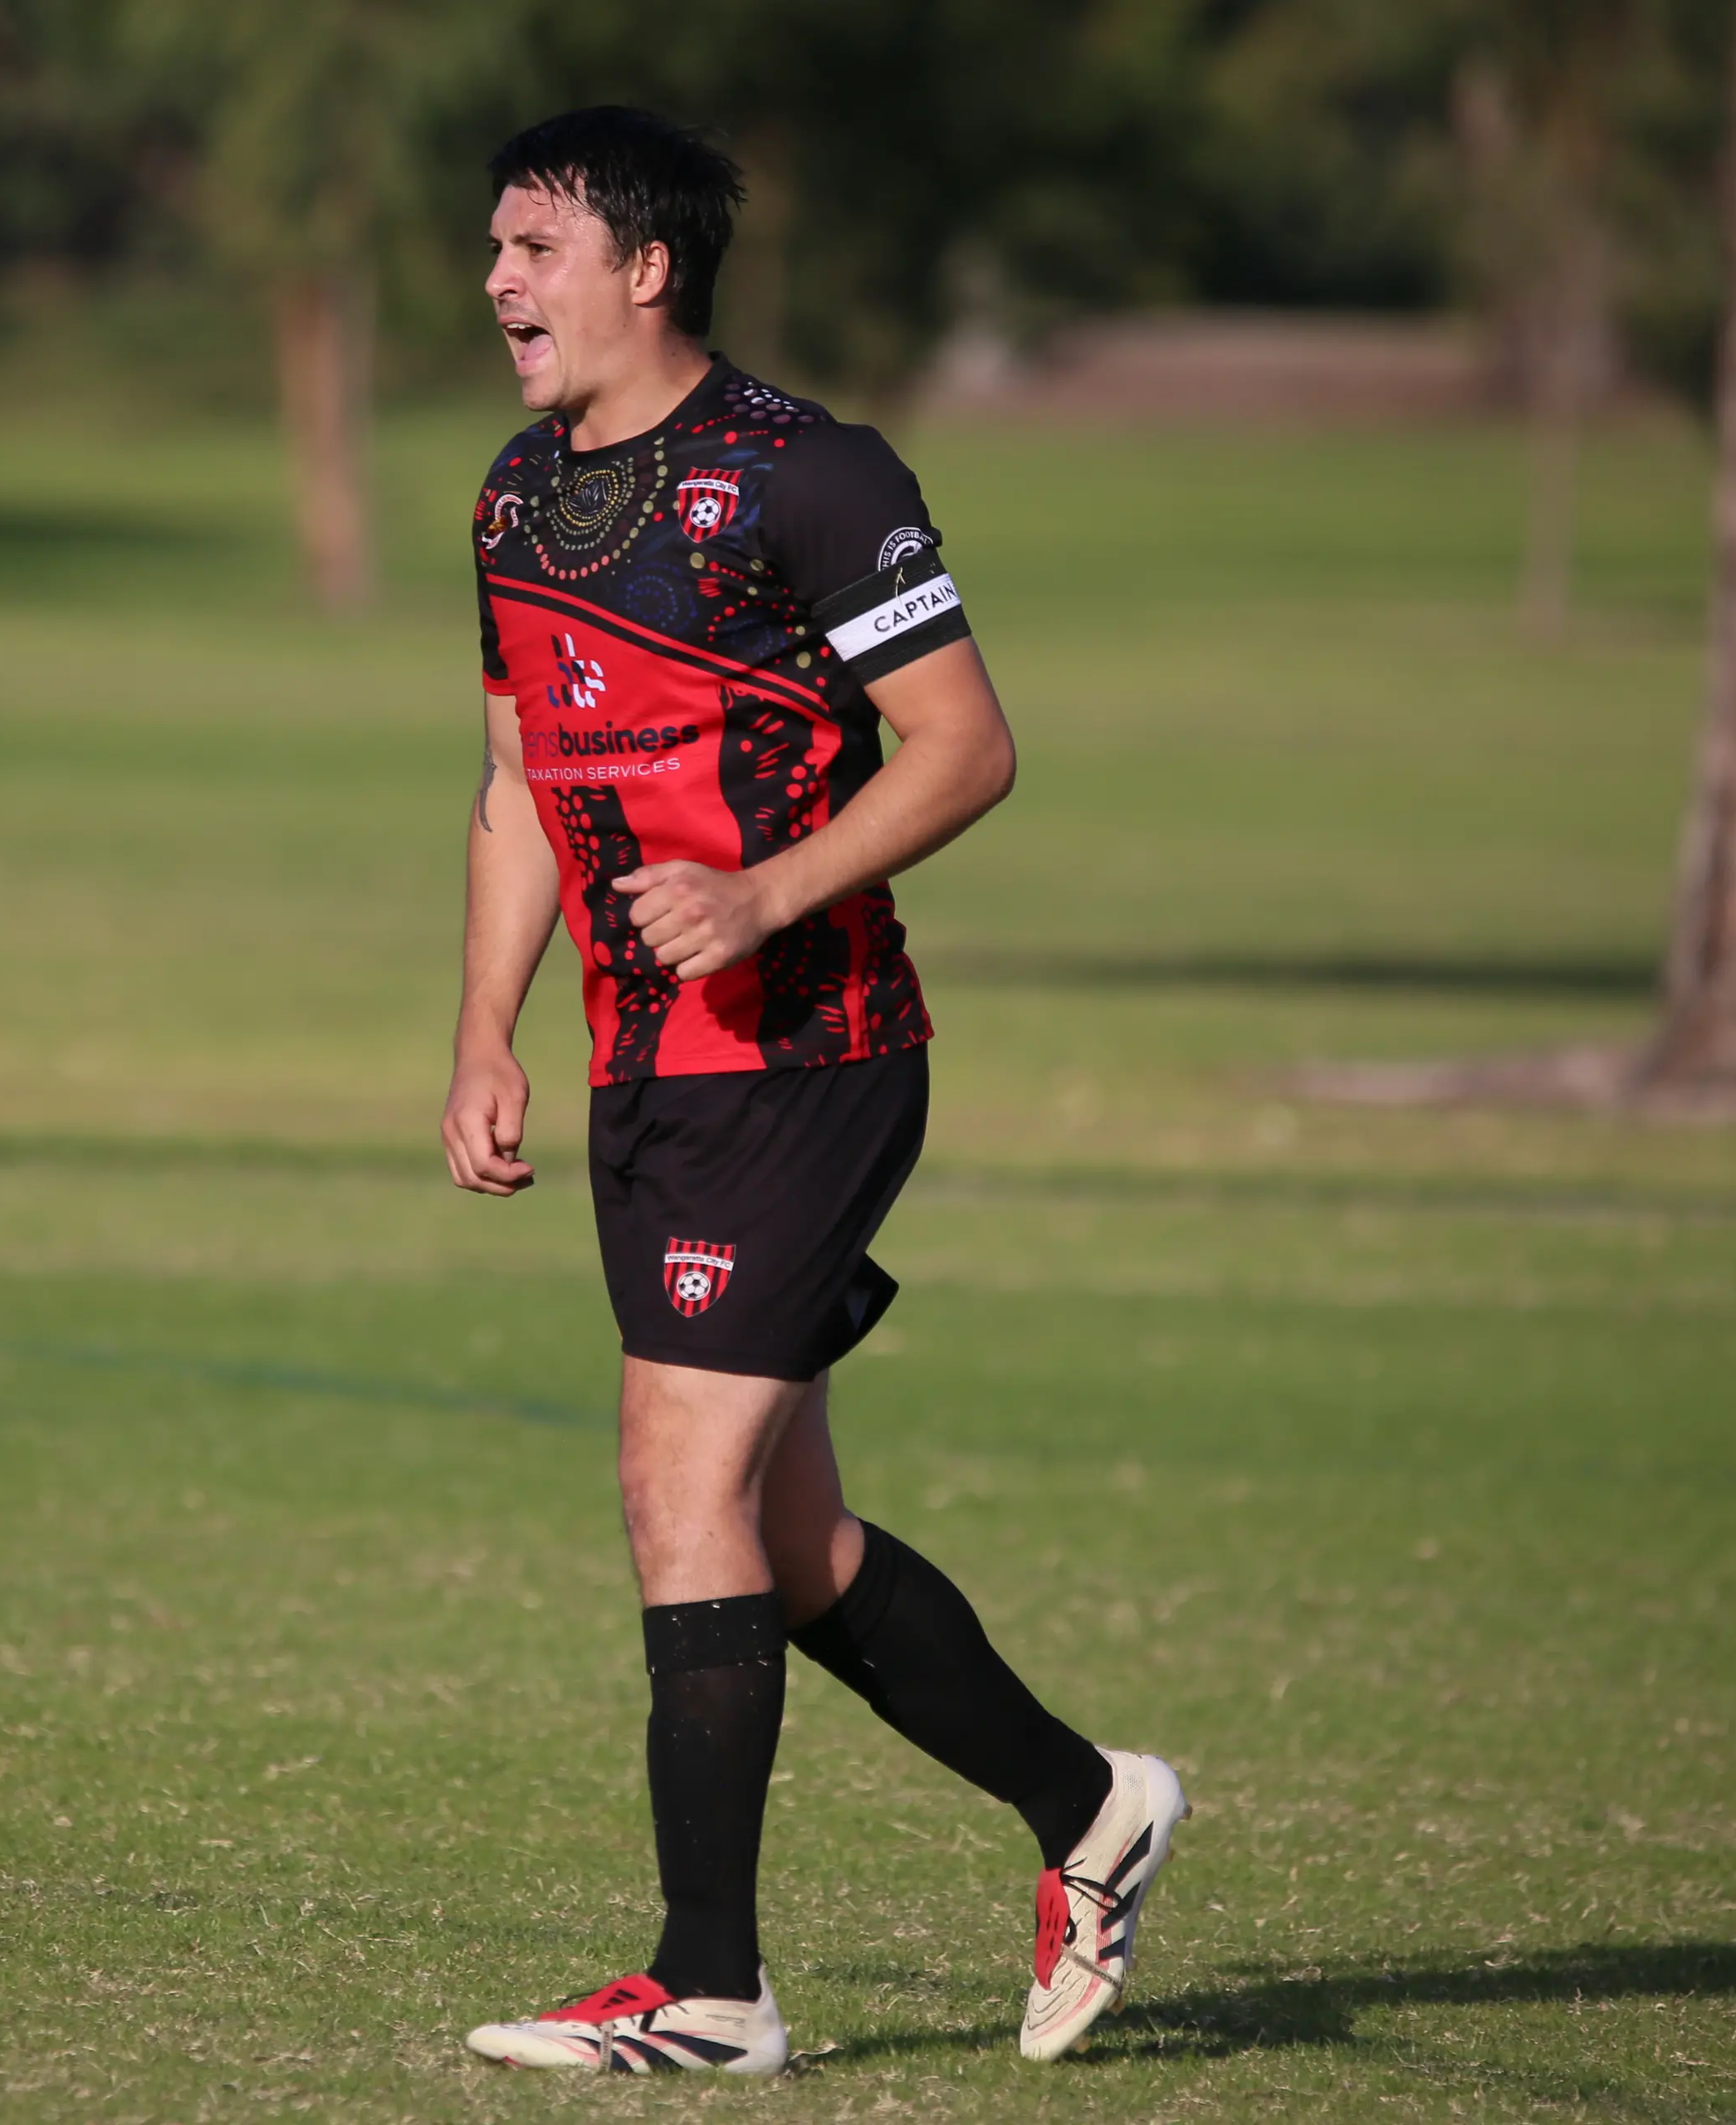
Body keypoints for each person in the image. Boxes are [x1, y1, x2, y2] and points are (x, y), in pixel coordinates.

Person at [441, 106, 1186, 2076]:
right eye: (496, 249)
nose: (500, 282)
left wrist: (766, 887)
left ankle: (712, 1989)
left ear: (645, 265)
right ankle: (1091, 1804)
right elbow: (523, 779)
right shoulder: (522, 499)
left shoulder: (812, 477)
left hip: (814, 1057)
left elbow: (966, 745)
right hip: (646, 1076)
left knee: (670, 1482)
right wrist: (482, 1030)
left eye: (533, 247)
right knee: (783, 1542)